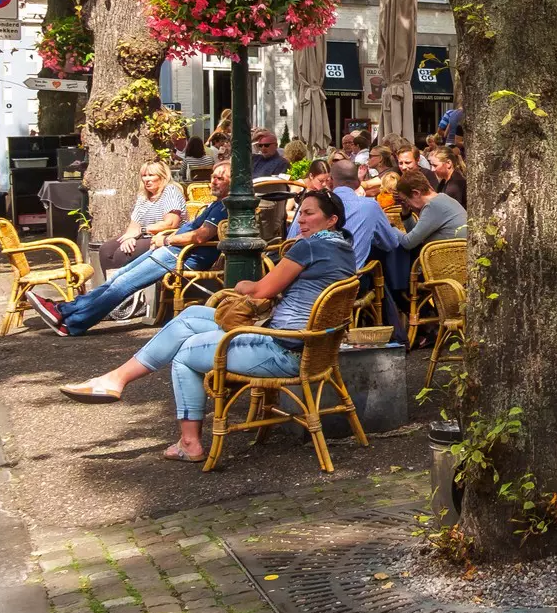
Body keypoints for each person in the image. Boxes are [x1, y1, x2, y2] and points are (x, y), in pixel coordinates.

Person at [58, 189, 359, 461]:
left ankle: (189, 443)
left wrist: (243, 284)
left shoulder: (307, 248)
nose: (302, 220)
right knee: (189, 318)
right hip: (313, 347)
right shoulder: (343, 248)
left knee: (185, 354)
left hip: (285, 350)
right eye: (301, 212)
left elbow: (261, 291)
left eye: (310, 214)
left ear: (331, 220)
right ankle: (116, 379)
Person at [33, 164, 231, 335]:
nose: (213, 181)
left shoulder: (225, 206)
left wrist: (167, 239)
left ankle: (74, 324)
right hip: (172, 250)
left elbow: (200, 236)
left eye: (220, 178)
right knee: (117, 278)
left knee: (123, 285)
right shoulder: (215, 203)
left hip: (180, 255)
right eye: (213, 177)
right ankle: (64, 310)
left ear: (233, 182)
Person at [96, 162, 187, 272]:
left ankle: (125, 286)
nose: (147, 179)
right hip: (145, 236)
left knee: (123, 254)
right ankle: (111, 285)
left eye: (151, 175)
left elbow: (170, 224)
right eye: (144, 176)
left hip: (166, 237)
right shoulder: (143, 196)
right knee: (106, 250)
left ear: (163, 176)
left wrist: (141, 230)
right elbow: (134, 224)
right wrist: (130, 237)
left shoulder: (170, 191)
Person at [393, 168, 469, 255]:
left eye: (405, 199)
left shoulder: (433, 206)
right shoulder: (441, 199)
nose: (406, 203)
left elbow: (408, 243)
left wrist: (390, 227)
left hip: (452, 260)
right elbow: (416, 236)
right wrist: (406, 213)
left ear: (416, 193)